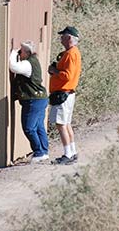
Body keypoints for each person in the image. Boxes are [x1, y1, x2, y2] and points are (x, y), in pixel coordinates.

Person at [9, 41, 49, 163]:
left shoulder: (27, 64)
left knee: (29, 128)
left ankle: (39, 152)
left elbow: (13, 67)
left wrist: (12, 53)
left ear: (26, 52)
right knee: (39, 127)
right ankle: (44, 152)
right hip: (40, 99)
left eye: (21, 51)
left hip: (33, 100)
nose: (19, 54)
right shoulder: (33, 61)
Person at [48, 26, 82, 165]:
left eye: (63, 36)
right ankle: (72, 152)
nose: (61, 38)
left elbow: (67, 75)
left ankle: (67, 154)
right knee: (66, 123)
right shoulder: (73, 53)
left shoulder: (70, 54)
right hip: (67, 93)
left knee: (61, 124)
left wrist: (54, 71)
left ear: (69, 38)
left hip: (63, 93)